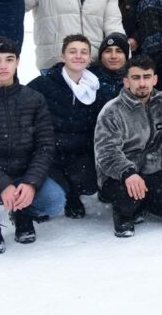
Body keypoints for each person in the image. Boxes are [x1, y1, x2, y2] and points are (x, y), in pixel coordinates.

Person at [0, 36, 64, 253]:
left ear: (17, 62)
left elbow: (45, 146)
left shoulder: (34, 99)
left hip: (24, 174)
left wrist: (31, 182)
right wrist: (3, 184)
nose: (3, 66)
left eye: (9, 59)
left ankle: (23, 212)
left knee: (55, 201)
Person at [94, 55, 162, 236]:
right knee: (128, 195)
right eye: (136, 78)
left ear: (155, 79)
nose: (142, 83)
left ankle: (147, 202)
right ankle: (124, 213)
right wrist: (127, 172)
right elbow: (106, 152)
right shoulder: (112, 111)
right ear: (126, 82)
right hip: (120, 176)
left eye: (146, 77)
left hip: (155, 171)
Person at [27, 34, 105, 219]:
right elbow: (15, 98)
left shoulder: (94, 87)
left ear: (89, 58)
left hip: (77, 153)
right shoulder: (43, 84)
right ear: (63, 56)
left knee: (90, 182)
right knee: (54, 193)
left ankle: (72, 194)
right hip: (48, 153)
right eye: (72, 51)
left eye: (83, 52)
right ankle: (30, 207)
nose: (78, 56)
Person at [90, 32, 130, 102]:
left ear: (126, 56)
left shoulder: (135, 78)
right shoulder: (88, 77)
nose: (113, 56)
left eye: (119, 51)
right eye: (108, 51)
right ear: (101, 56)